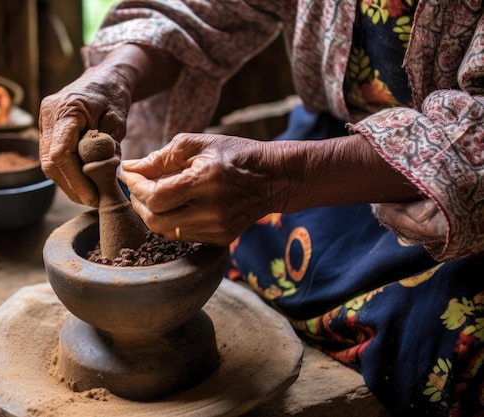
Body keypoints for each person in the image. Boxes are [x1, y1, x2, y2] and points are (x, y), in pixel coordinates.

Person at [38, 1, 484, 415]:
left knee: (438, 344)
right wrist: (116, 72)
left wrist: (281, 179)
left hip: (436, 200)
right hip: (327, 142)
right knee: (232, 241)